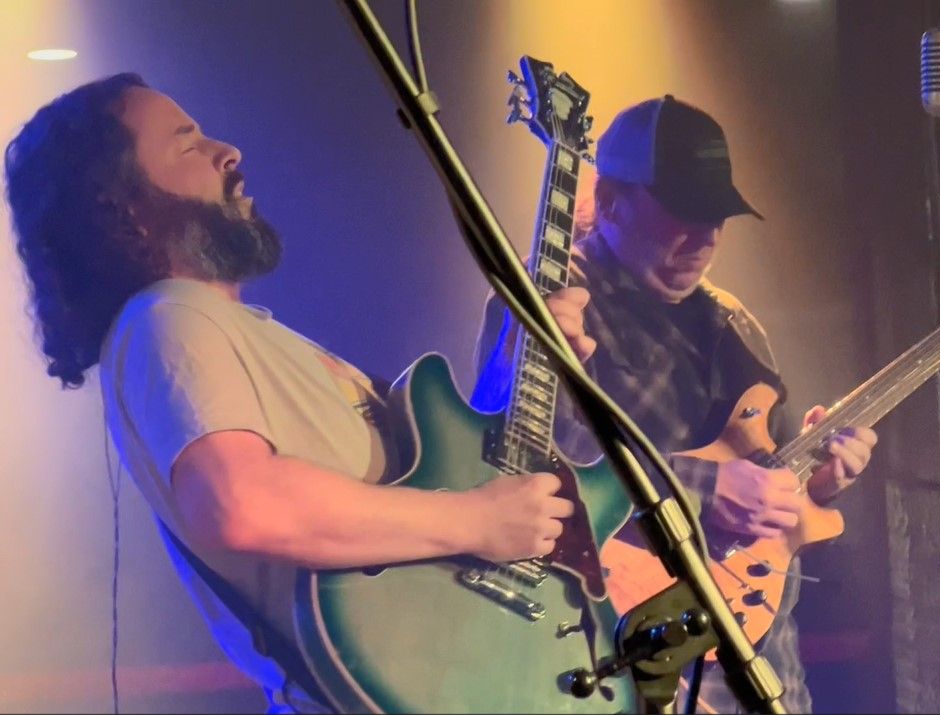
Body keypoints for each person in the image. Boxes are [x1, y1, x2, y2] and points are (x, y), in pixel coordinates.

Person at [4, 73, 584, 714]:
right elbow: (240, 504)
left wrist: (514, 355)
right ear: (126, 208)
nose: (228, 152)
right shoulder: (166, 316)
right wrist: (477, 520)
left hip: (447, 666)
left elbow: (439, 488)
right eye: (188, 143)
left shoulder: (242, 335)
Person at [472, 95, 879, 713]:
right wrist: (704, 489)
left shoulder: (734, 322)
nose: (707, 238)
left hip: (761, 659)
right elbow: (524, 461)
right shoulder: (550, 302)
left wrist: (818, 481)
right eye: (685, 214)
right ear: (612, 202)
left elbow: (770, 485)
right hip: (619, 656)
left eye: (718, 217)